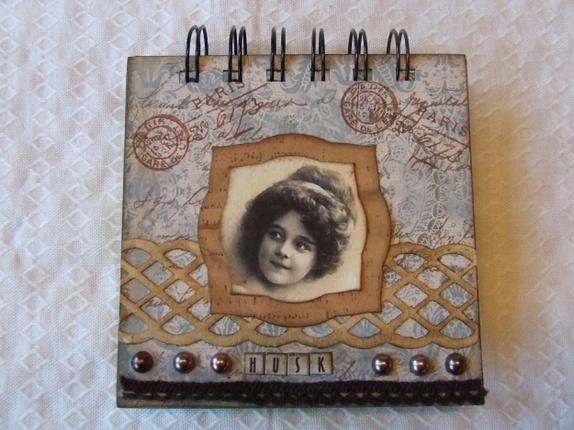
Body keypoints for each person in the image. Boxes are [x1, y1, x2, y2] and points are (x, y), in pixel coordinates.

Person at [234, 165, 357, 299]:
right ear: (260, 235)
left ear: (319, 259)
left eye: (300, 245)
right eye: (276, 235)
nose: (283, 251)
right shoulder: (239, 296)